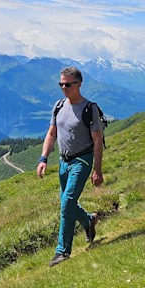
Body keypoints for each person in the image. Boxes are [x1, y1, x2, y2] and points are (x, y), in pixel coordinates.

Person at [37, 67, 104, 266]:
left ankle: (62, 252)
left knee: (67, 204)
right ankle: (88, 221)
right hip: (63, 162)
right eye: (61, 84)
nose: (64, 88)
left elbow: (98, 141)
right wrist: (43, 158)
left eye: (68, 84)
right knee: (67, 202)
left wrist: (97, 170)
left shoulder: (88, 108)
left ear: (78, 84)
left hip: (82, 161)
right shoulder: (58, 106)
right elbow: (51, 134)